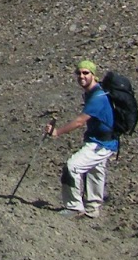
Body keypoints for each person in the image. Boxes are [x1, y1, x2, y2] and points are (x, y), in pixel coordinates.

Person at [45, 58, 119, 218]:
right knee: (95, 172)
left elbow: (79, 122)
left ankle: (74, 207)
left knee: (72, 167)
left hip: (100, 143)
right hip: (103, 141)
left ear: (94, 75)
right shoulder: (94, 93)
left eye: (85, 73)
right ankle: (93, 209)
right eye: (78, 73)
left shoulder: (97, 97)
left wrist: (57, 132)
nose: (81, 76)